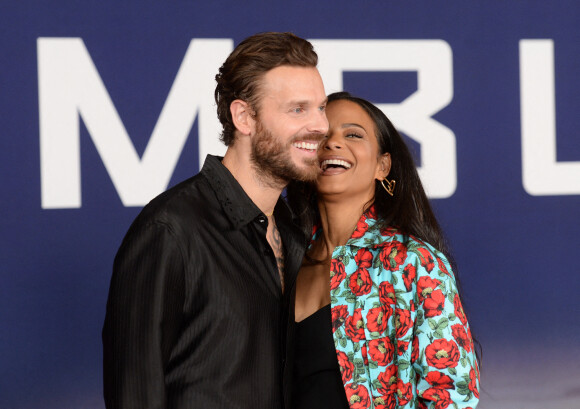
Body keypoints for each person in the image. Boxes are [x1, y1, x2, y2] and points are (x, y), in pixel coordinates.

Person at [102, 32, 329, 409]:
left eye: (320, 107)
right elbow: (135, 394)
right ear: (244, 117)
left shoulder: (297, 234)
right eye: (297, 109)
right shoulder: (171, 232)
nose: (320, 125)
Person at [287, 92, 480, 409]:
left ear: (383, 165)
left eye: (352, 134)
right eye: (321, 135)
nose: (333, 143)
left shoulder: (414, 262)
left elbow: (450, 397)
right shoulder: (282, 262)